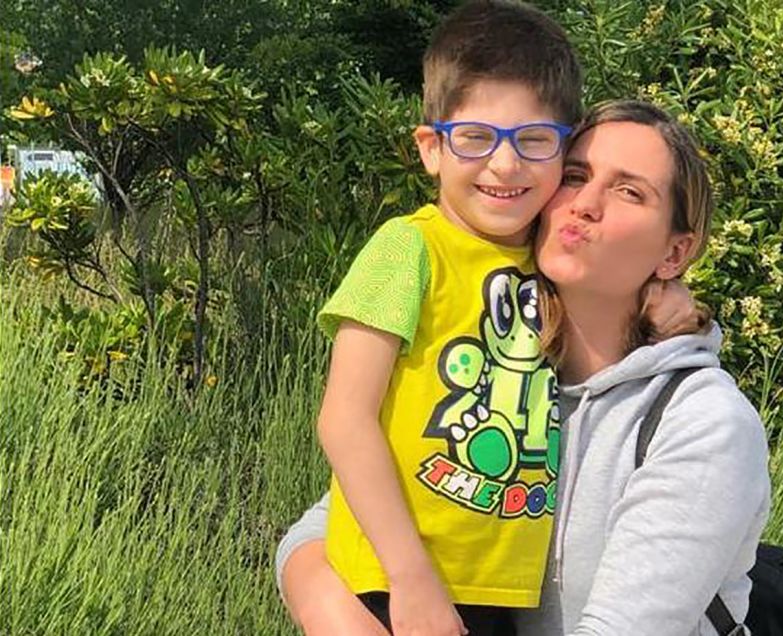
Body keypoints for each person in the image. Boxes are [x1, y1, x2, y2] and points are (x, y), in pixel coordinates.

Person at [278, 3, 697, 635]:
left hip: (500, 594)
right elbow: (344, 417)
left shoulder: (548, 256)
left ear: (563, 148)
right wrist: (408, 576)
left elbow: (621, 280)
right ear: (431, 148)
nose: (505, 166)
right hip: (398, 582)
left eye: (534, 141)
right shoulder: (408, 249)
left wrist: (669, 297)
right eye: (476, 138)